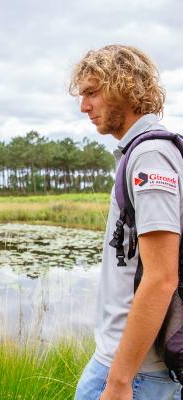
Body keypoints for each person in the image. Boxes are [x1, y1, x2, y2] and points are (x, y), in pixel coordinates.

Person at [69, 44, 183, 400]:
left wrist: (119, 380)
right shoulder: (146, 153)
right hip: (134, 369)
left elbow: (162, 277)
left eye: (92, 93)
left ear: (124, 88)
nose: (84, 106)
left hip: (135, 375)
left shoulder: (150, 157)